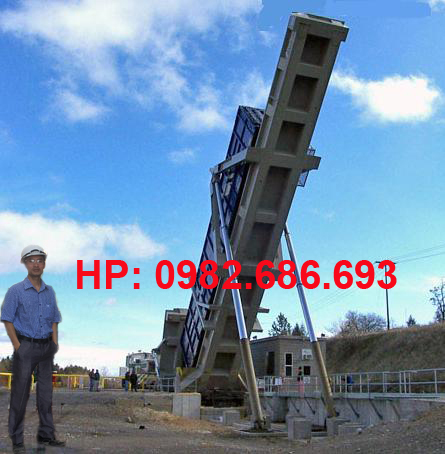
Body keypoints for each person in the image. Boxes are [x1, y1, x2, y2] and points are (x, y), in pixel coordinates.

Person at [1, 245, 66, 453]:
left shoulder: (49, 292)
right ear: (25, 263)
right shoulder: (15, 291)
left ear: (44, 264)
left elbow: (54, 319)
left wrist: (54, 343)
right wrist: (18, 346)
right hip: (26, 346)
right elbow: (7, 319)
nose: (36, 264)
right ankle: (17, 439)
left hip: (46, 348)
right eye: (31, 260)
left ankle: (46, 435)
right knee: (20, 394)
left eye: (39, 260)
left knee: (46, 395)